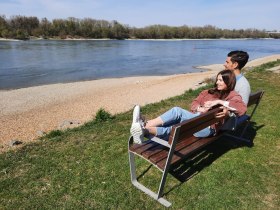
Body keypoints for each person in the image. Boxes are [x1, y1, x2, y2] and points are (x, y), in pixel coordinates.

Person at [130, 70, 247, 144]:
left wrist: (219, 102)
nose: (217, 82)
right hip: (195, 121)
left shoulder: (233, 95)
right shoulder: (208, 92)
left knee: (177, 111)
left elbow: (241, 108)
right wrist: (200, 108)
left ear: (229, 82)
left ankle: (144, 124)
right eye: (217, 80)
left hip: (207, 129)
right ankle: (144, 130)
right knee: (176, 127)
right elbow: (194, 104)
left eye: (221, 80)